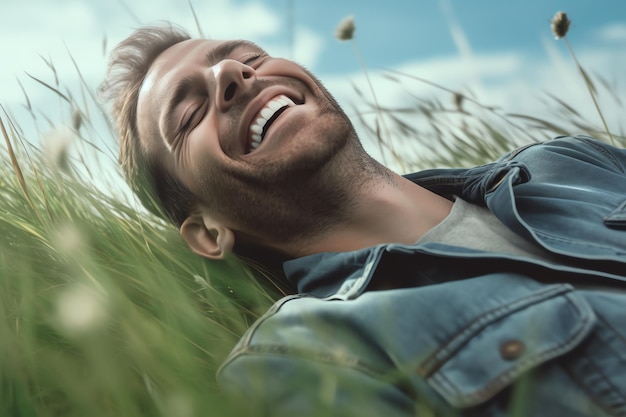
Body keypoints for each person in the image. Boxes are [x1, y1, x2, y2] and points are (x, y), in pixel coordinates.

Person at [100, 23, 626, 417]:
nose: (231, 75)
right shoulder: (300, 357)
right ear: (207, 233)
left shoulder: (565, 162)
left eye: (249, 57)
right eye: (189, 113)